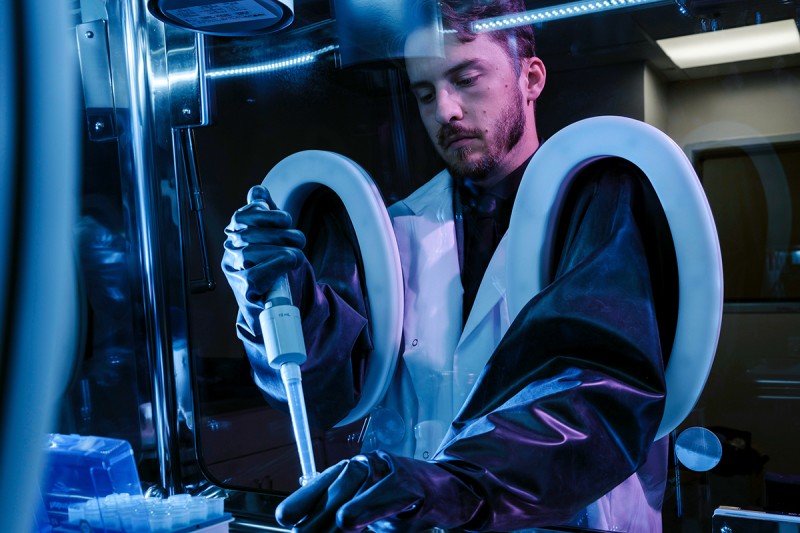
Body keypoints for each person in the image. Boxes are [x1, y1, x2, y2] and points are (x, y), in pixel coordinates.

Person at [222, 0, 676, 530]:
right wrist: (271, 298)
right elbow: (325, 391)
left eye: (466, 78)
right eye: (424, 93)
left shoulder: (599, 203)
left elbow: (600, 389)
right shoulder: (396, 227)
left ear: (530, 79)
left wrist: (462, 486)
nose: (445, 111)